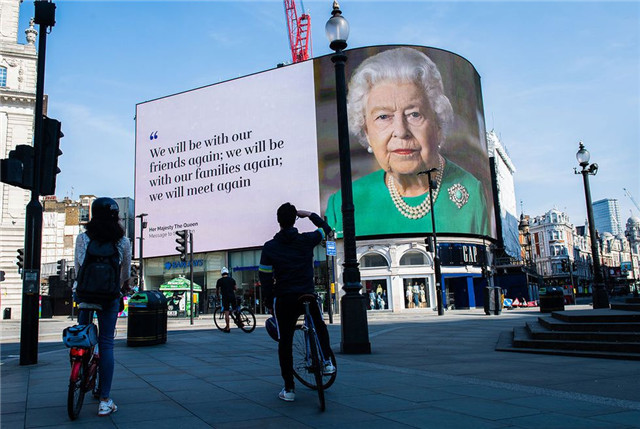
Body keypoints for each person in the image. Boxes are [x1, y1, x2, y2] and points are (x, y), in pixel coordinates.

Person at [325, 47, 490, 237]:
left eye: (414, 114)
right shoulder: (343, 202)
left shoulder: (471, 192)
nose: (401, 132)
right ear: (366, 131)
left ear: (437, 123)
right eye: (383, 116)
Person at [259, 202, 335, 402]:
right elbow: (326, 229)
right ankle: (327, 360)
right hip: (306, 294)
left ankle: (289, 389)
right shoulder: (307, 239)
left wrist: (269, 301)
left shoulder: (270, 247)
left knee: (285, 342)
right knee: (318, 324)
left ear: (278, 221)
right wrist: (309, 214)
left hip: (284, 298)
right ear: (294, 220)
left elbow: (265, 278)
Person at [74, 197, 131, 417]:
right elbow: (124, 272)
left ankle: (77, 369)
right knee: (106, 343)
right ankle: (105, 399)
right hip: (109, 296)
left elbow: (79, 266)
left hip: (85, 295)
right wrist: (121, 287)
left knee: (82, 336)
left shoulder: (83, 238)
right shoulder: (122, 241)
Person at [216, 267, 237, 333]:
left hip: (225, 297)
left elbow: (217, 290)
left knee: (226, 312)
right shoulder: (232, 279)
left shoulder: (220, 280)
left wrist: (218, 296)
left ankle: (228, 327)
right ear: (227, 273)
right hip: (232, 296)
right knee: (235, 309)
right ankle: (240, 322)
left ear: (222, 273)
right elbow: (235, 288)